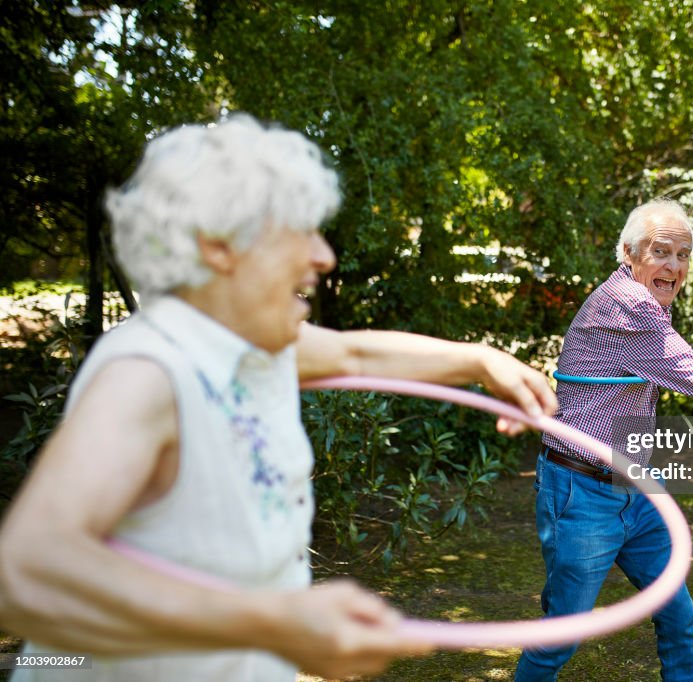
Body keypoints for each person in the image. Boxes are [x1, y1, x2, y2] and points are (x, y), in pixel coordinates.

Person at [0, 114, 558, 682]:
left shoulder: (252, 345)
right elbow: (27, 572)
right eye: (300, 231)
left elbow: (354, 356)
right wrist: (274, 625)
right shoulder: (148, 373)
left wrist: (479, 361)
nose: (324, 256)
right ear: (219, 245)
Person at [514, 199, 693, 681]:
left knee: (680, 619)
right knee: (559, 638)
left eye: (683, 255)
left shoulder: (643, 304)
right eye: (661, 252)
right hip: (582, 491)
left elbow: (671, 365)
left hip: (635, 489)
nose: (674, 266)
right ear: (628, 253)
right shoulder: (632, 305)